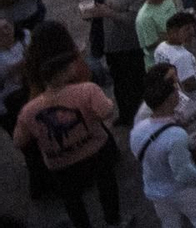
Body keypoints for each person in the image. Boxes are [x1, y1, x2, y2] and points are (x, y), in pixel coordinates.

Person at [14, 47, 122, 228]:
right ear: (64, 72)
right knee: (106, 186)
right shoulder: (87, 90)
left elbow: (19, 141)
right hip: (96, 151)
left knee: (72, 199)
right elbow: (107, 112)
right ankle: (113, 222)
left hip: (61, 162)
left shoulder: (29, 110)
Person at [131, 64, 196, 228]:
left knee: (170, 224)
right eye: (171, 82)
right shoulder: (175, 135)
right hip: (181, 190)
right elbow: (184, 173)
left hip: (155, 190)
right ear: (168, 98)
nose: (176, 86)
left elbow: (143, 151)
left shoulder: (138, 129)